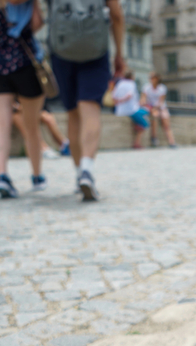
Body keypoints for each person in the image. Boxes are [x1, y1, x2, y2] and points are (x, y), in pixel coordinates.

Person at [49, 0, 125, 201]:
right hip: (95, 49)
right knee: (90, 110)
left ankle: (78, 173)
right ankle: (87, 169)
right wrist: (119, 52)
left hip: (62, 49)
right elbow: (116, 15)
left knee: (73, 113)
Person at [0, 0, 46, 198]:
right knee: (31, 123)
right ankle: (37, 175)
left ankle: (2, 175)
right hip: (24, 61)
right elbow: (37, 22)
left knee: (1, 122)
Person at [112, 70, 148, 149]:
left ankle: (137, 124)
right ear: (132, 77)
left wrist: (118, 102)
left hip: (119, 111)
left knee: (142, 113)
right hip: (131, 111)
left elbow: (113, 96)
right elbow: (129, 95)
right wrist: (122, 100)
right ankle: (137, 143)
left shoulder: (120, 84)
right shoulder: (131, 83)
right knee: (145, 119)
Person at [142, 72, 176, 148]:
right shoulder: (146, 87)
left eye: (152, 78)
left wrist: (155, 108)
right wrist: (144, 103)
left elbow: (161, 101)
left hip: (161, 107)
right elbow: (143, 98)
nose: (150, 80)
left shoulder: (162, 88)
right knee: (154, 116)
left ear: (157, 79)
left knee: (166, 123)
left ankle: (171, 142)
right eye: (150, 78)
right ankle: (154, 138)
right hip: (151, 108)